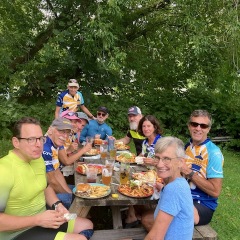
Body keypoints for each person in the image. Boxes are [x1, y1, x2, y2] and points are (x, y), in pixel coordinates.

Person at [0, 117, 93, 240]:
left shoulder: (38, 159)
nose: (39, 145)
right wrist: (37, 220)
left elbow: (45, 186)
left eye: (40, 139)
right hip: (16, 233)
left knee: (87, 224)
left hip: (44, 219)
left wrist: (58, 205)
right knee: (79, 239)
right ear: (16, 142)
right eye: (31, 139)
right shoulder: (4, 170)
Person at [144, 137, 194, 240]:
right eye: (157, 157)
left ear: (180, 162)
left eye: (167, 159)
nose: (159, 164)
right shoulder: (179, 183)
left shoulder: (174, 189)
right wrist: (163, 188)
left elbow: (155, 238)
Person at [181, 109, 224, 226]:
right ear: (189, 126)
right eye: (194, 124)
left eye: (203, 126)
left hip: (202, 204)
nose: (198, 128)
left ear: (208, 129)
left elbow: (215, 191)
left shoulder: (213, 152)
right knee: (148, 215)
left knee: (159, 220)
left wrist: (189, 172)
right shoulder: (187, 146)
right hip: (182, 196)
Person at [42, 117, 91, 209]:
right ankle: (75, 219)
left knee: (85, 189)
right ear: (50, 130)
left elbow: (56, 171)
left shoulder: (55, 144)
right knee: (82, 198)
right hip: (41, 194)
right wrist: (70, 196)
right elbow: (52, 181)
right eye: (61, 131)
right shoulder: (45, 148)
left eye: (67, 132)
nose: (65, 136)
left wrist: (68, 191)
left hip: (49, 187)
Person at [124, 115, 163, 228]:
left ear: (155, 127)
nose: (146, 129)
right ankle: (132, 214)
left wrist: (155, 162)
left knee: (131, 186)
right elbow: (142, 155)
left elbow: (167, 163)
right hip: (145, 173)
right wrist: (134, 158)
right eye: (144, 126)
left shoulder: (161, 142)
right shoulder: (145, 142)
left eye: (149, 126)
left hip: (158, 178)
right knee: (126, 180)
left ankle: (133, 216)